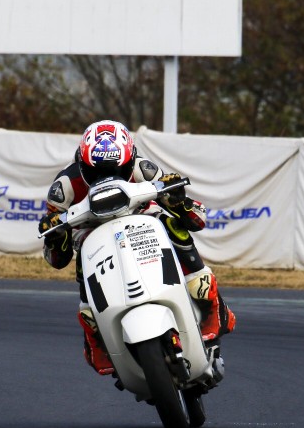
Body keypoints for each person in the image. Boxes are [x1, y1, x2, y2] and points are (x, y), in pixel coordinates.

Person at [38, 120, 235, 376]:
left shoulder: (145, 169)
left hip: (142, 218)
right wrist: (56, 236)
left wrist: (177, 201)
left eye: (117, 170)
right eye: (97, 173)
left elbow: (197, 219)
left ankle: (208, 299)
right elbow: (56, 259)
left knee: (171, 224)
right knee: (83, 258)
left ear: (130, 159)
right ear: (82, 162)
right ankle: (95, 332)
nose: (107, 179)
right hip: (92, 230)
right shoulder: (64, 187)